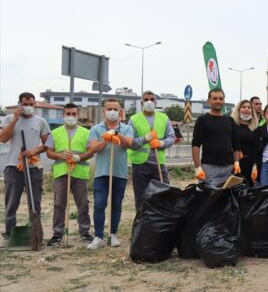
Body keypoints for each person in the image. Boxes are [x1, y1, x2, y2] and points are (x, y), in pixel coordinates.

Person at [85, 99, 134, 250]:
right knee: (99, 204)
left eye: (115, 109)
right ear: (104, 111)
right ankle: (99, 236)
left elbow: (129, 143)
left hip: (119, 173)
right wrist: (106, 140)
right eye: (109, 108)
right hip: (101, 173)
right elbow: (93, 148)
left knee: (116, 205)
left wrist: (116, 133)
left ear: (120, 112)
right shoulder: (96, 128)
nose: (112, 111)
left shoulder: (126, 128)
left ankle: (112, 234)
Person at [0, 92, 50, 241]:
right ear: (20, 105)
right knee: (11, 202)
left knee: (35, 202)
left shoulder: (41, 121)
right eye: (25, 104)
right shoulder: (9, 119)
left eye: (31, 104)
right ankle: (10, 233)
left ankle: (35, 233)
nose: (28, 107)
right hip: (13, 167)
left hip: (33, 166)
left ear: (34, 105)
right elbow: (3, 138)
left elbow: (48, 145)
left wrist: (34, 150)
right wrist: (15, 120)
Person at [45, 103, 92, 246]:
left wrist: (79, 157)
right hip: (61, 172)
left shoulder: (86, 132)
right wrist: (60, 155)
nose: (71, 117)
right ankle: (57, 234)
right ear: (63, 115)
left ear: (78, 115)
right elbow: (49, 152)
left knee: (83, 204)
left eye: (74, 114)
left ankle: (84, 232)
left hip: (80, 172)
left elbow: (90, 151)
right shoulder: (55, 132)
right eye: (68, 114)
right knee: (59, 204)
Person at [127, 91, 176, 212]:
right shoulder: (133, 120)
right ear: (141, 102)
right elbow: (130, 143)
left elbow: (171, 137)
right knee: (141, 198)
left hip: (158, 164)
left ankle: (161, 222)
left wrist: (161, 143)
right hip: (140, 165)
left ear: (156, 102)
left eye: (152, 99)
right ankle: (142, 224)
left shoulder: (163, 118)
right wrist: (145, 139)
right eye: (146, 99)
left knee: (164, 195)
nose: (149, 102)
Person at [192, 88, 242, 186]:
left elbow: (236, 144)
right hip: (209, 167)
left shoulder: (230, 120)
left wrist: (236, 162)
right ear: (209, 101)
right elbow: (195, 145)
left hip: (229, 167)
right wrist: (197, 167)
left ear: (224, 100)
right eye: (215, 98)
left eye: (220, 98)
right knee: (210, 198)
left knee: (227, 198)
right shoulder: (202, 120)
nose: (218, 101)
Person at [231, 99, 260, 185]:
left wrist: (255, 165)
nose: (247, 109)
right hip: (235, 163)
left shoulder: (255, 128)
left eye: (249, 108)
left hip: (250, 164)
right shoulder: (233, 125)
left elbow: (256, 148)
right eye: (244, 107)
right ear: (238, 110)